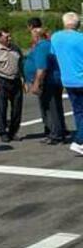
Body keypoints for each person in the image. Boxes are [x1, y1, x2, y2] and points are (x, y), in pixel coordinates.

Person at [24, 19, 66, 145]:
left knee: (50, 108)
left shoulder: (42, 46)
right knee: (51, 107)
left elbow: (41, 68)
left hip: (48, 82)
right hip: (50, 81)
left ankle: (55, 134)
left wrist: (36, 84)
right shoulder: (44, 45)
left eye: (33, 34)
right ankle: (56, 131)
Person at [50, 12, 83, 156]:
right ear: (78, 23)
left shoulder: (56, 37)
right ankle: (79, 141)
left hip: (68, 79)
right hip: (81, 78)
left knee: (78, 112)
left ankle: (81, 140)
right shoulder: (80, 38)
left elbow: (54, 55)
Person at [0, 29, 24, 143]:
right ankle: (3, 132)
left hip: (15, 80)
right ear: (0, 38)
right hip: (1, 80)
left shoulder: (16, 48)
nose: (9, 39)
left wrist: (23, 79)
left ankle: (13, 131)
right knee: (2, 107)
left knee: (17, 108)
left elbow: (20, 64)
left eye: (9, 36)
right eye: (6, 37)